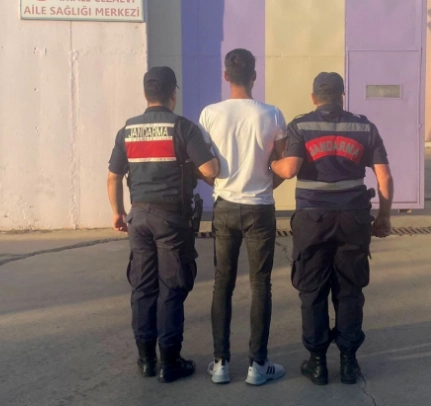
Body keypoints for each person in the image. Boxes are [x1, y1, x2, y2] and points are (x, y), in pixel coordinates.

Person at [270, 72, 394, 386]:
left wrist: (272, 163)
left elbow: (290, 169)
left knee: (312, 290)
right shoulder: (365, 128)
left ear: (314, 97)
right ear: (342, 95)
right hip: (354, 219)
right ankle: (349, 363)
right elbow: (384, 177)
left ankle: (317, 364)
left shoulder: (301, 126)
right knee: (350, 290)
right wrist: (384, 217)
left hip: (313, 219)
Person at [107, 66, 220, 383]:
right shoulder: (182, 128)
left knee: (143, 287)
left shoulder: (127, 130)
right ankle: (170, 362)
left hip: (138, 217)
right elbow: (210, 170)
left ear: (146, 94)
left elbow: (113, 177)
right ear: (173, 94)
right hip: (171, 219)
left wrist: (118, 213)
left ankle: (146, 360)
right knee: (171, 288)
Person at [198, 49, 287, 386]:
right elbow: (282, 163)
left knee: (223, 284)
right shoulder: (272, 114)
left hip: (224, 206)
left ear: (226, 76)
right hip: (260, 207)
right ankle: (257, 365)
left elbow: (202, 164)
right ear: (254, 76)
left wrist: (218, 184)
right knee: (260, 284)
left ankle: (221, 363)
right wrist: (267, 184)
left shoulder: (210, 114)